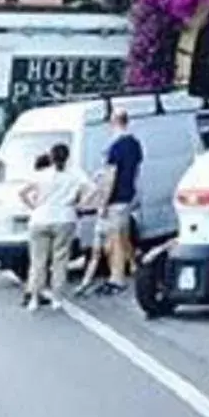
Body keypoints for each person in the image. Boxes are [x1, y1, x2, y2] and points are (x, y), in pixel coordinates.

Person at [23, 141, 95, 311]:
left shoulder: (41, 175)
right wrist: (80, 205)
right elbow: (93, 189)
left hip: (40, 218)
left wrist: (33, 206)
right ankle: (57, 298)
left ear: (51, 157)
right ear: (67, 157)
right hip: (65, 218)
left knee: (38, 261)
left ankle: (34, 298)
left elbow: (23, 192)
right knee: (60, 261)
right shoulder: (75, 174)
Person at [95, 108, 144, 294]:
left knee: (114, 241)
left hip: (116, 199)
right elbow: (136, 170)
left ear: (113, 122)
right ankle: (135, 267)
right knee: (123, 235)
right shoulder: (135, 144)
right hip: (129, 195)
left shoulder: (115, 147)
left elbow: (111, 177)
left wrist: (103, 203)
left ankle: (117, 279)